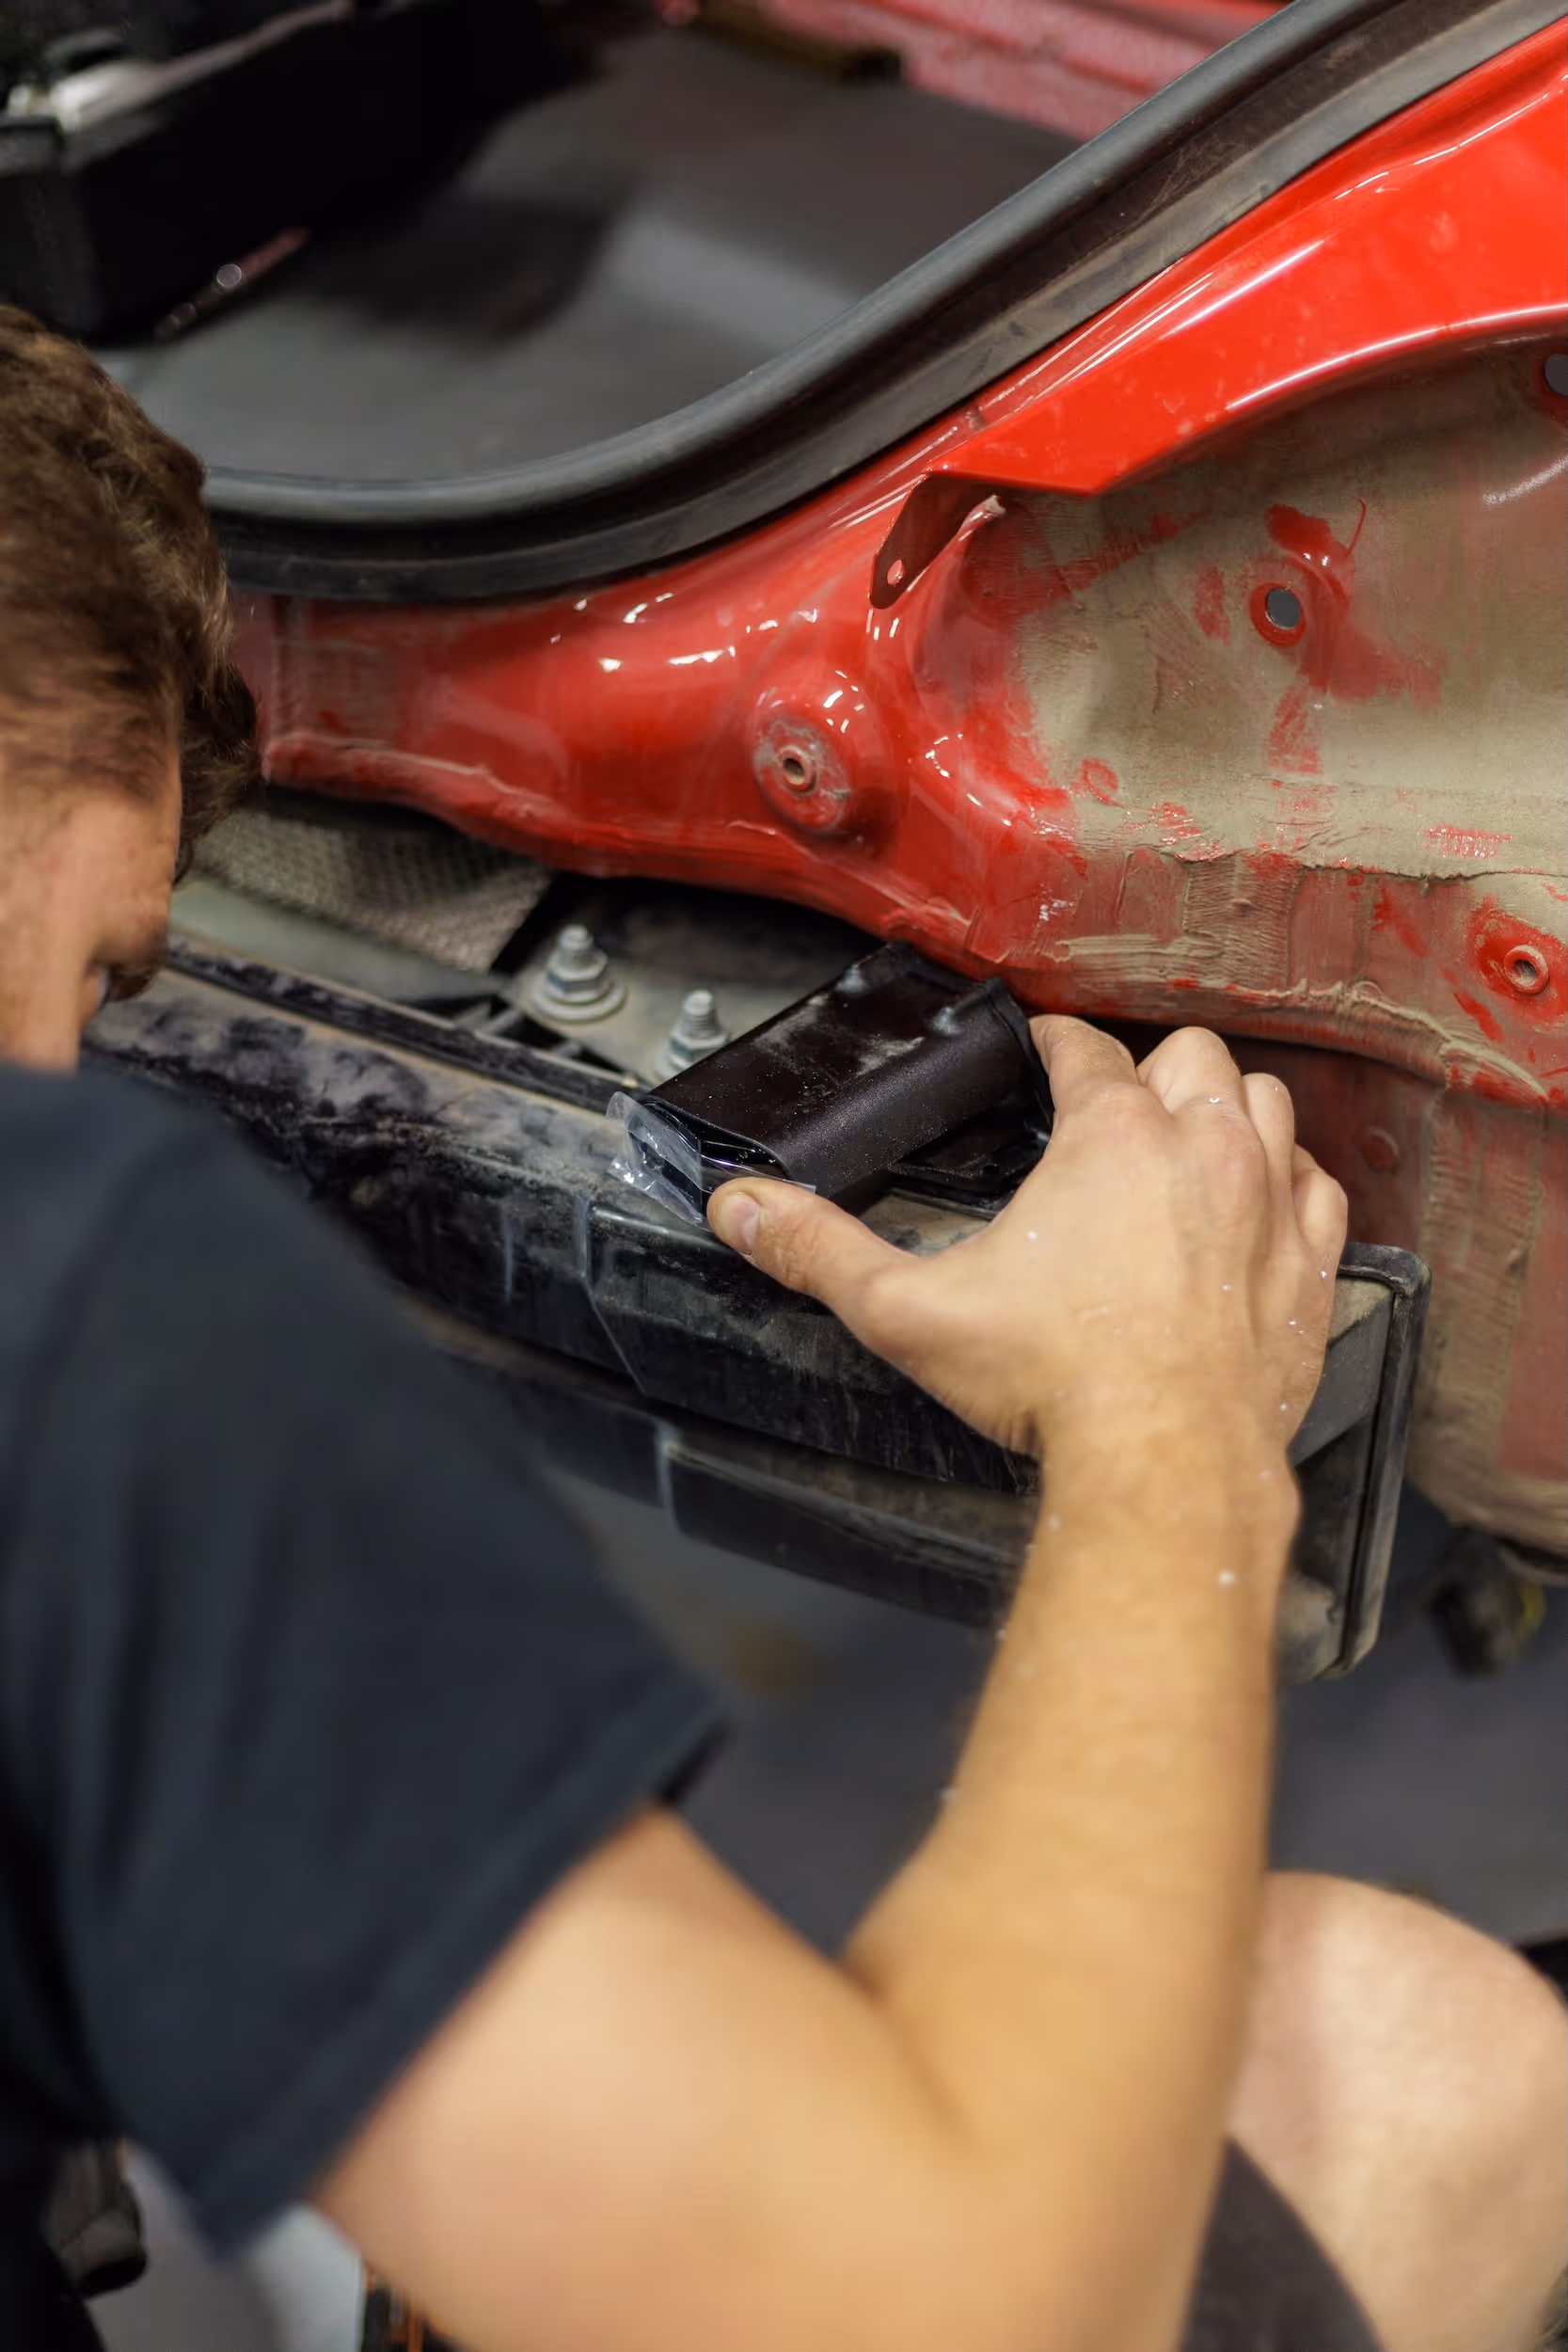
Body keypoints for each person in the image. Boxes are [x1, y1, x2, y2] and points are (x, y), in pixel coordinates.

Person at [0, 303, 1562, 2352]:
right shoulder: (84, 1299)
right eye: (106, 969)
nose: (73, 1071)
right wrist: (1166, 1427)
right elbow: (983, 2307)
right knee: (1398, 2065)